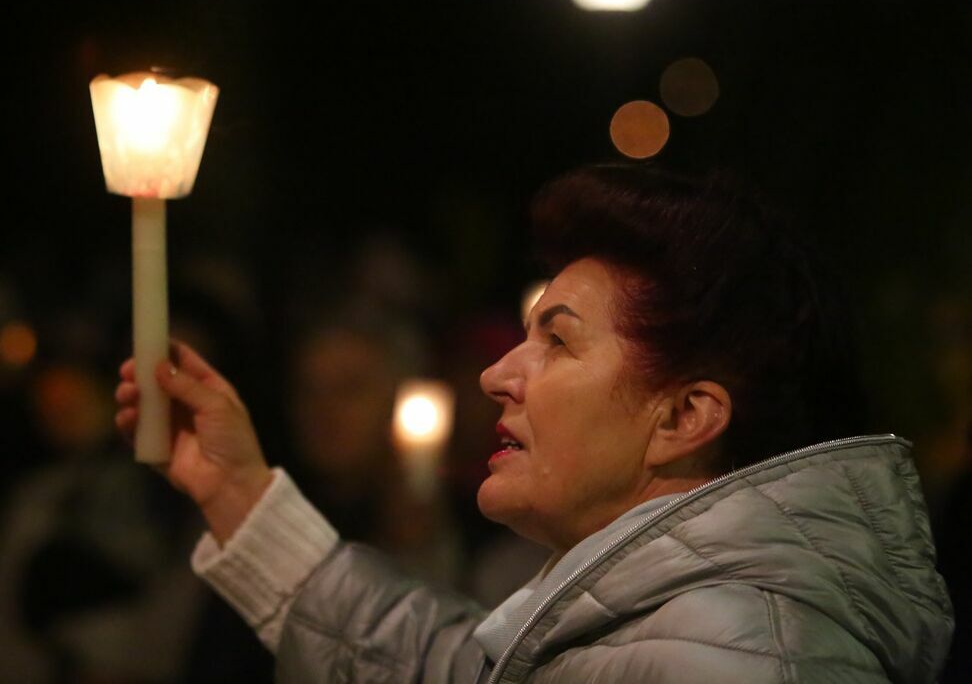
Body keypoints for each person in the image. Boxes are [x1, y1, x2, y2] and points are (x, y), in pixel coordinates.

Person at [113, 164, 954, 682]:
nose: (496, 375)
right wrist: (237, 490)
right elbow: (439, 667)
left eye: (557, 341)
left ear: (685, 415)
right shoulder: (668, 630)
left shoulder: (740, 661)